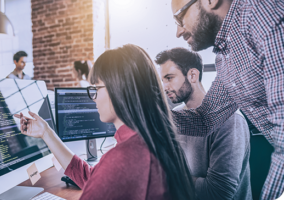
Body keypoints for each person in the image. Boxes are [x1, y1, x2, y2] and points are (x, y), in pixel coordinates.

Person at [14, 44, 195, 200]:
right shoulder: (157, 139)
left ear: (118, 90)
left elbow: (106, 176)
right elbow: (94, 178)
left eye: (96, 89)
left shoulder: (123, 158)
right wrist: (46, 132)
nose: (93, 98)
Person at [169, 0, 284, 199]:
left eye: (180, 16)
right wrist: (146, 114)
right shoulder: (226, 58)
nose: (178, 32)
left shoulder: (261, 14)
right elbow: (205, 120)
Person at [156, 47, 252, 200]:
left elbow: (217, 193)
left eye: (169, 78)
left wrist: (166, 178)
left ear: (193, 75)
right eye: (163, 80)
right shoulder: (176, 117)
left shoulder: (230, 120)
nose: (165, 86)